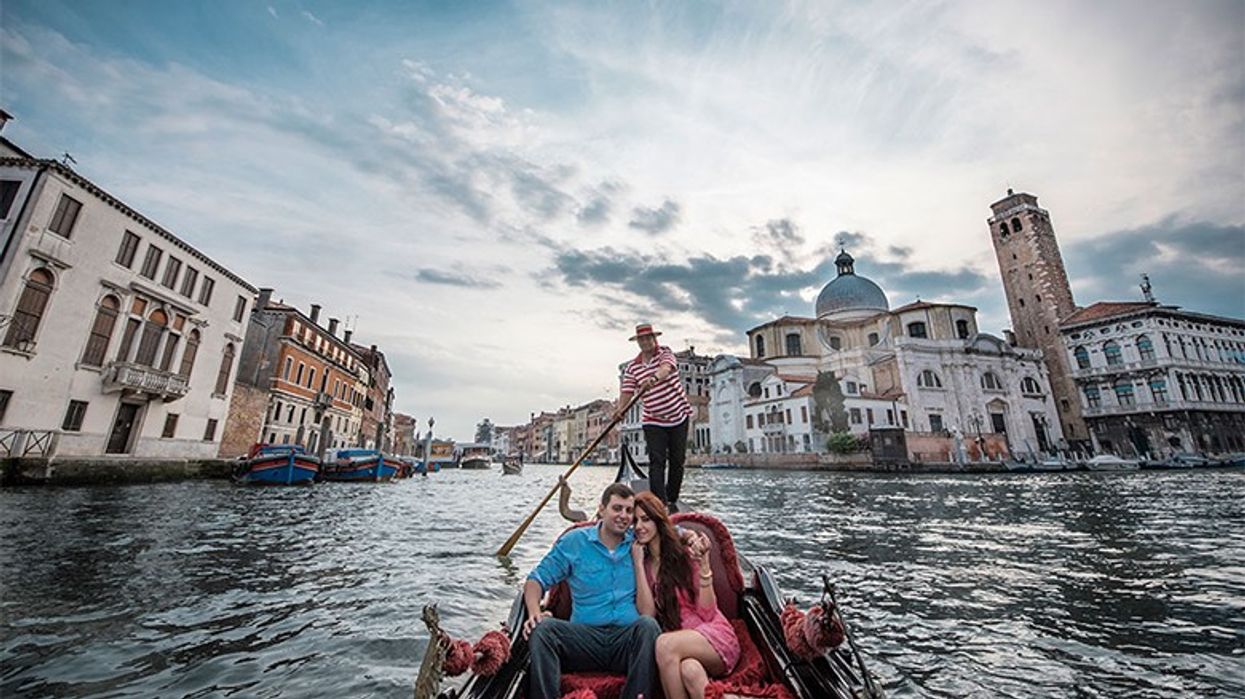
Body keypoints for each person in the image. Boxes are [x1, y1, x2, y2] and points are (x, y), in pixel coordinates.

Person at [523, 483, 660, 699]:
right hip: (584, 640)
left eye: (628, 510)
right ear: (602, 509)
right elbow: (536, 580)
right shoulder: (574, 542)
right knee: (542, 629)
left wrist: (690, 536)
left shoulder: (637, 541)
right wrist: (534, 612)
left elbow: (669, 530)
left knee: (648, 626)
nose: (623, 516)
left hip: (626, 641)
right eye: (617, 508)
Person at [631, 492, 740, 699]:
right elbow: (647, 613)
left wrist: (704, 565)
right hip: (682, 647)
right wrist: (637, 563)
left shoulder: (684, 555)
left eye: (645, 519)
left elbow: (708, 612)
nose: (639, 526)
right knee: (690, 671)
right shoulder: (644, 565)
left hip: (712, 636)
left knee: (664, 644)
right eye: (635, 521)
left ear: (658, 521)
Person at [615, 323, 694, 512]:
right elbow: (627, 392)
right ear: (638, 342)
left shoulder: (665, 353)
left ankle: (672, 499)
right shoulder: (632, 368)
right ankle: (660, 504)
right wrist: (620, 410)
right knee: (657, 461)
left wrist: (654, 379)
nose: (645, 342)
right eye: (641, 339)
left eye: (648, 338)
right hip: (653, 419)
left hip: (678, 415)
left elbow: (666, 368)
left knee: (677, 461)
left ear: (654, 339)